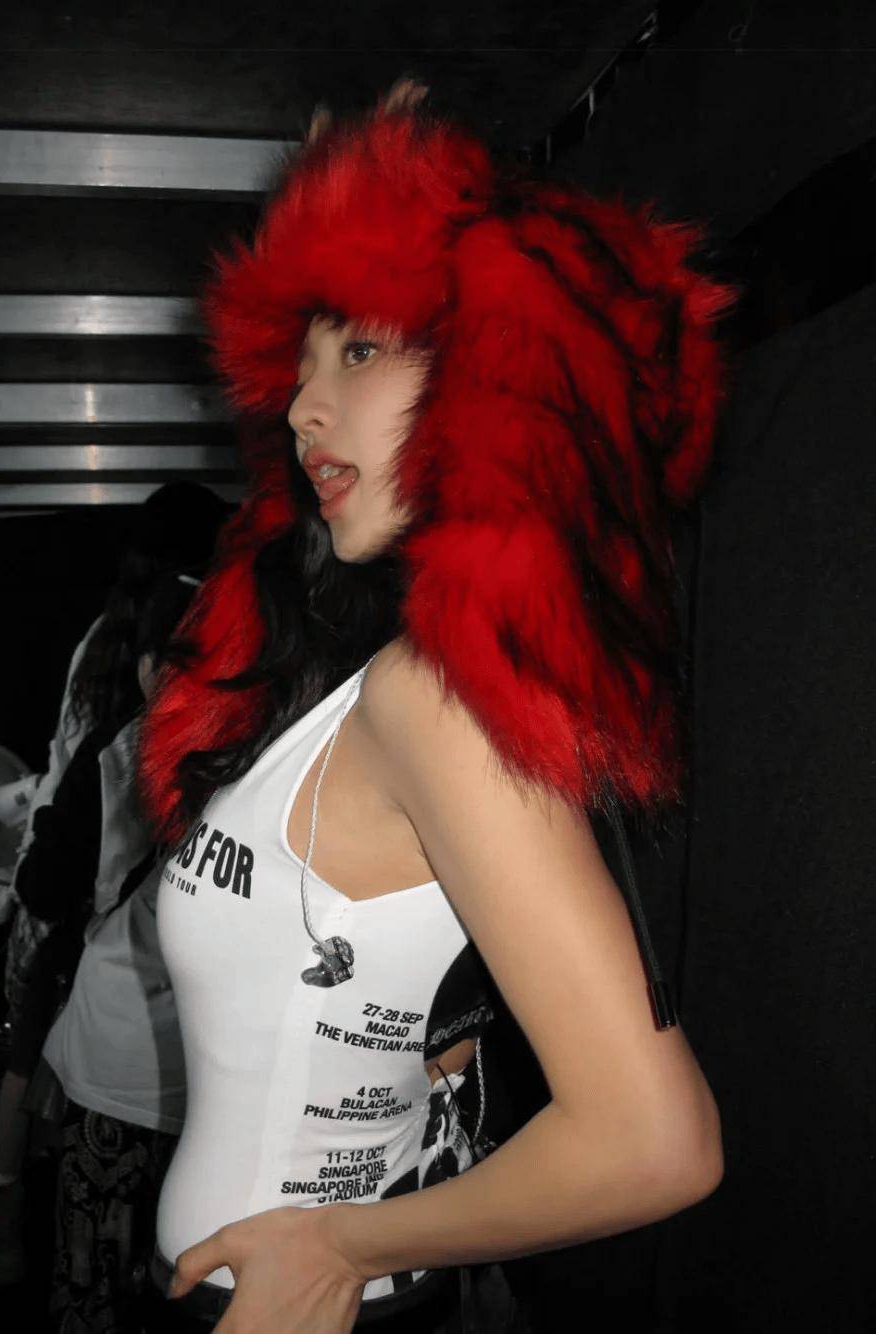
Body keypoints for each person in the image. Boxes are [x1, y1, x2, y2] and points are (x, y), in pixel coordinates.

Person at [138, 78, 737, 1333]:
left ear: (492, 368)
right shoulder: (375, 676)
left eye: (358, 349)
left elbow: (654, 1138)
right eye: (302, 364)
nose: (302, 407)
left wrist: (339, 1247)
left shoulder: (433, 702)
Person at [0, 482, 233, 1287]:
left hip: (112, 1019)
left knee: (90, 1247)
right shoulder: (251, 751)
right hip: (204, 1061)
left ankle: (4, 1202)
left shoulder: (111, 678)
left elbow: (55, 856)